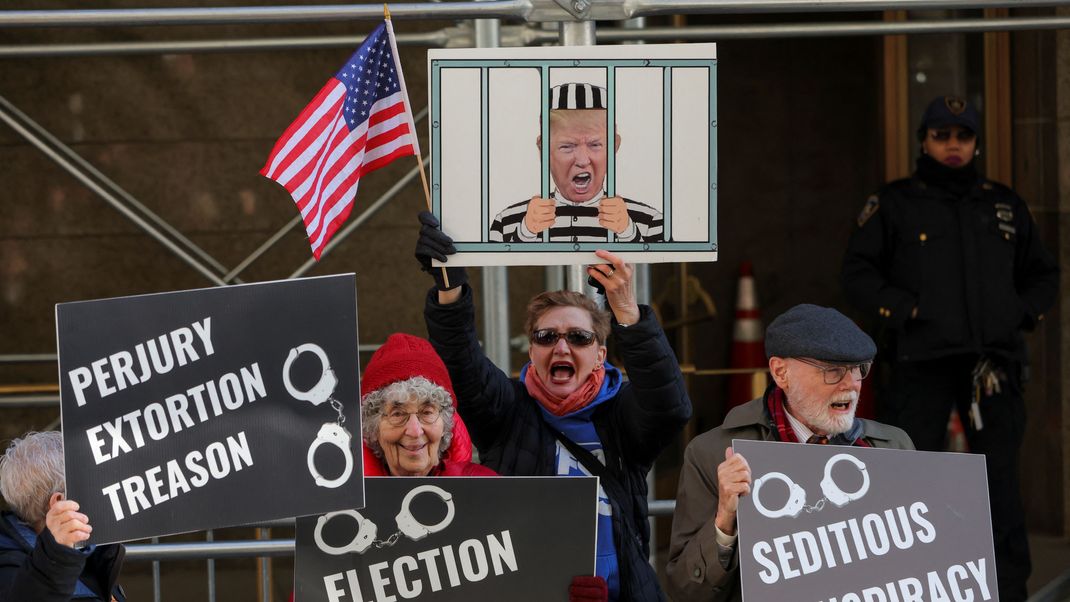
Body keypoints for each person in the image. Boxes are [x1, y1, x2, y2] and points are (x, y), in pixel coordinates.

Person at [841, 95, 1058, 601]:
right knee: (909, 481)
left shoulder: (1002, 204)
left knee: (999, 482)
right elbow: (857, 276)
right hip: (922, 363)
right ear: (924, 140)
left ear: (977, 142)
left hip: (992, 365)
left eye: (963, 135)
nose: (954, 145)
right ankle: (907, 586)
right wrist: (906, 309)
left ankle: (1007, 590)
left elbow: (1042, 274)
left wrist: (1021, 313)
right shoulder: (894, 203)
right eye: (942, 135)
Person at [416, 213, 692, 601]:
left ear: (600, 354)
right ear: (532, 350)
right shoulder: (508, 410)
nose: (561, 347)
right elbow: (461, 361)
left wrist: (629, 313)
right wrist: (450, 286)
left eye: (578, 337)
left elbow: (669, 407)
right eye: (547, 337)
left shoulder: (620, 414)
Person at [665, 304, 913, 602]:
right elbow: (685, 591)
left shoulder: (893, 448)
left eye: (858, 369)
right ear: (781, 373)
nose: (851, 385)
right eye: (833, 371)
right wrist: (724, 520)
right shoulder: (713, 454)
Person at [489, 82, 664, 244]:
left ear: (614, 146)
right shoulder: (506, 224)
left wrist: (628, 232)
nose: (582, 160)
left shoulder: (650, 223)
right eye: (567, 146)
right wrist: (525, 232)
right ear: (543, 149)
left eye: (595, 145)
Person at [0, 431, 126, 601]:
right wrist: (58, 555)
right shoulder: (12, 574)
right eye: (89, 482)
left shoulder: (85, 550)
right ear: (59, 502)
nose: (99, 490)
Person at [360, 332, 496, 477]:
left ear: (445, 423)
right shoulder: (342, 498)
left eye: (426, 412)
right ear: (372, 429)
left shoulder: (483, 490)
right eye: (397, 414)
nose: (415, 431)